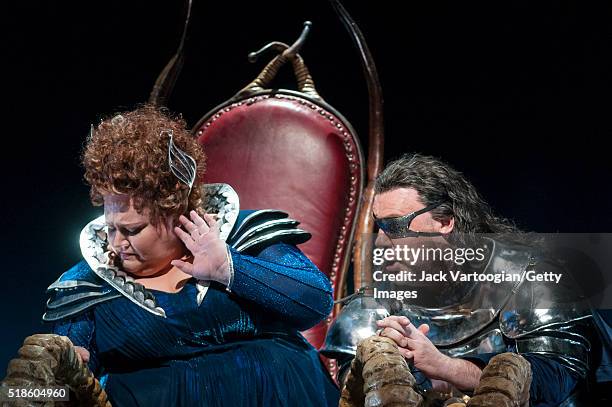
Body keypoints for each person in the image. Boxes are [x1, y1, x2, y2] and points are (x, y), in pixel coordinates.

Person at [43, 105, 340, 406]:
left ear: (175, 210)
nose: (117, 242)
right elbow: (66, 378)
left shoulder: (241, 236)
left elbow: (315, 304)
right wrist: (63, 373)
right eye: (110, 227)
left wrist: (229, 266)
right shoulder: (87, 283)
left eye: (133, 230)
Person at [323, 153, 604, 406]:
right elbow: (353, 394)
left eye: (395, 226)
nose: (381, 243)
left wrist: (446, 367)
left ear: (445, 222)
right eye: (378, 227)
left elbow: (560, 376)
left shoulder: (527, 280)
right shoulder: (375, 308)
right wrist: (387, 367)